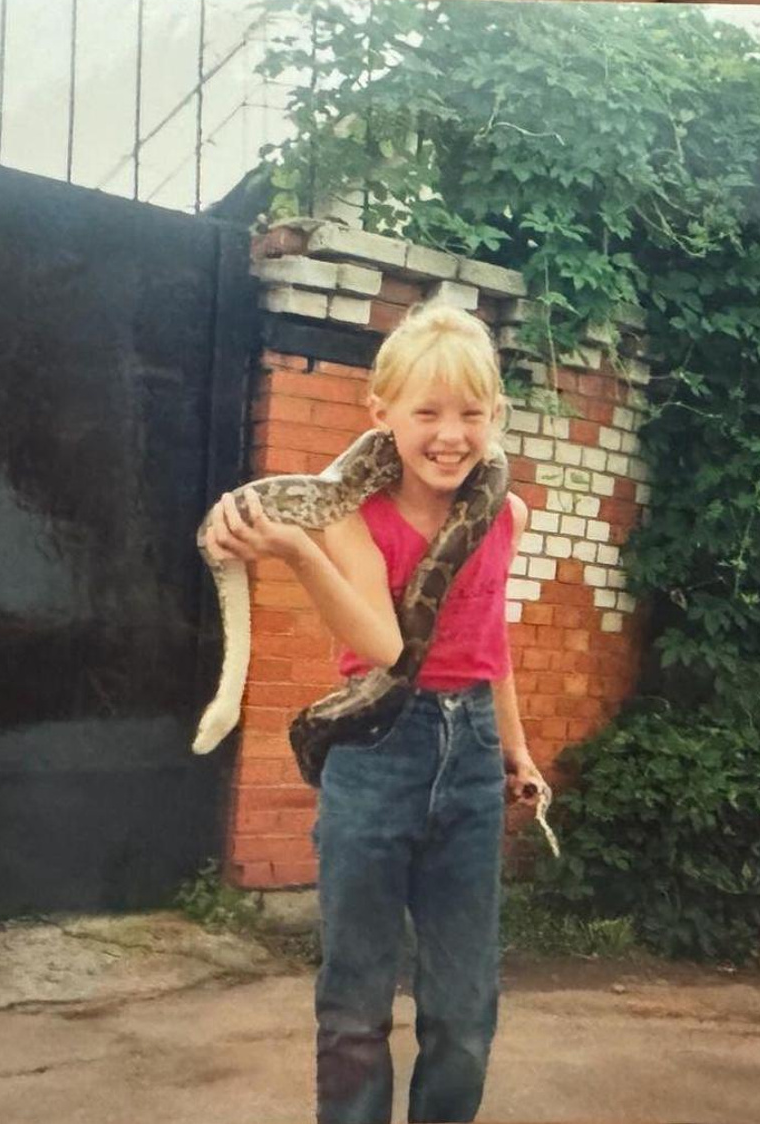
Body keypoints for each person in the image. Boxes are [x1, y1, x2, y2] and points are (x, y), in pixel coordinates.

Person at [203, 303, 544, 1124]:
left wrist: (518, 754)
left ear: (496, 416)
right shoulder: (354, 514)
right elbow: (388, 649)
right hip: (377, 750)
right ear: (382, 415)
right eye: (427, 413)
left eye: (471, 413)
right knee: (356, 1007)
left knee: (465, 1014)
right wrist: (297, 550)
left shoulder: (507, 512)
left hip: (471, 756)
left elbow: (488, 642)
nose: (451, 434)